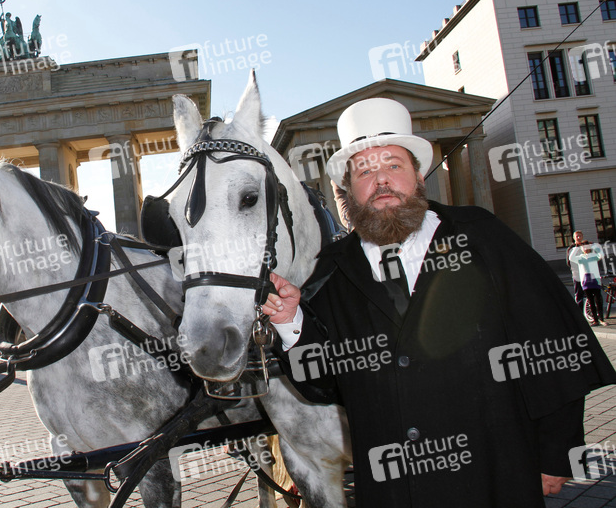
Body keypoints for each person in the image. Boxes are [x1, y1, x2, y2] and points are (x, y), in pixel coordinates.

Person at [263, 98, 616, 507]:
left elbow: (553, 344)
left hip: (494, 476)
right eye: (365, 171)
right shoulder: (333, 270)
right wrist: (292, 322)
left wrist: (555, 451)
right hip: (396, 491)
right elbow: (324, 383)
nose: (381, 180)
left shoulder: (482, 236)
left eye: (393, 165)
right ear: (349, 189)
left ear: (418, 176)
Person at [571, 241, 607, 325]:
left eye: (587, 246)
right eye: (583, 247)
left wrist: (594, 245)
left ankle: (601, 319)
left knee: (598, 300)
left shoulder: (594, 256)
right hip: (586, 282)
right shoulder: (580, 258)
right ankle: (595, 320)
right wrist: (576, 247)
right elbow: (571, 258)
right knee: (591, 301)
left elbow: (601, 255)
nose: (585, 248)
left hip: (595, 280)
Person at [567, 231, 589, 312]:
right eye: (577, 236)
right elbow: (569, 262)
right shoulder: (571, 248)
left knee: (589, 293)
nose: (579, 237)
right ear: (574, 238)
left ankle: (590, 312)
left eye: (580, 236)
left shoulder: (586, 246)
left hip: (587, 273)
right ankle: (580, 312)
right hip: (577, 274)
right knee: (579, 294)